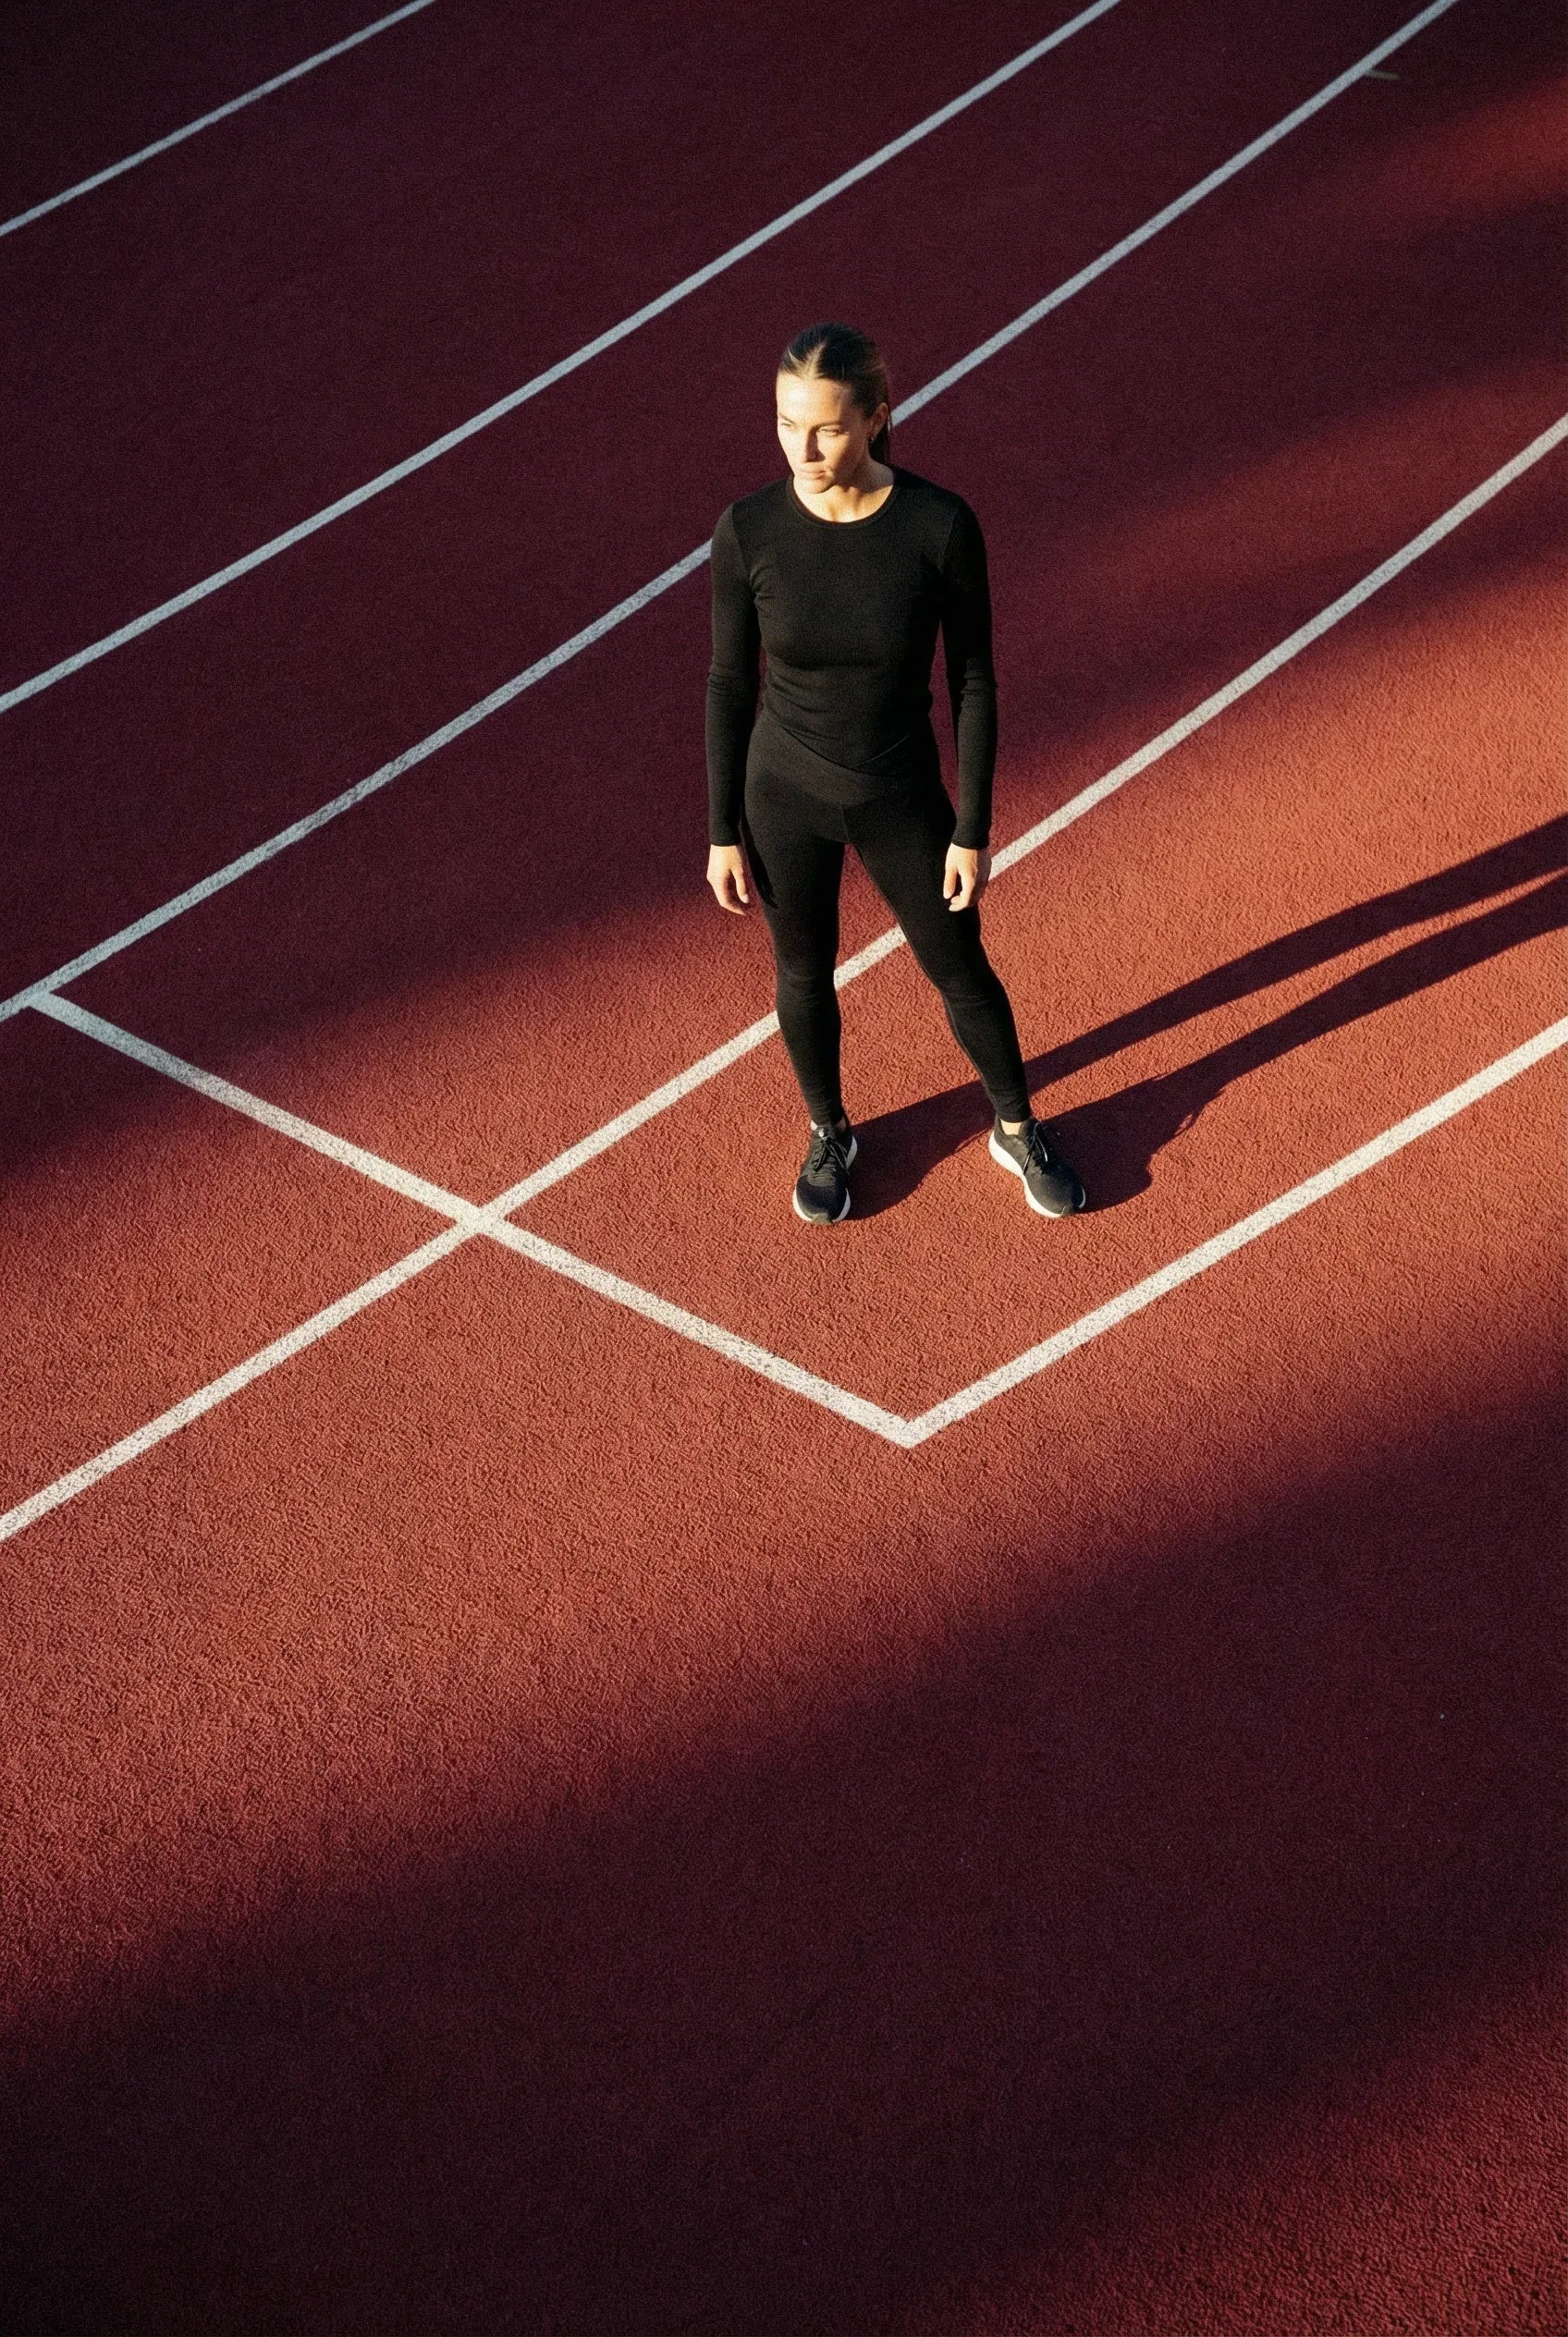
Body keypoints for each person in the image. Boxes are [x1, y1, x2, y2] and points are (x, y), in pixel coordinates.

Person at [704, 319, 1086, 1227]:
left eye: (827, 426)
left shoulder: (937, 526)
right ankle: (829, 1130)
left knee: (958, 969)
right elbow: (728, 681)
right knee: (801, 971)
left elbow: (973, 679)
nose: (802, 446)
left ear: (876, 418)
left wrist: (973, 826)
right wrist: (721, 826)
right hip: (781, 795)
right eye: (787, 422)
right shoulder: (748, 529)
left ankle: (1016, 1124)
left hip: (899, 796)